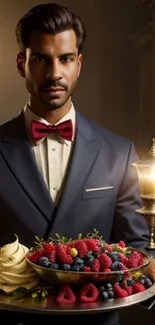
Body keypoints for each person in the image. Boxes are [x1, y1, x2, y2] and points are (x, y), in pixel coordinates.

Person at [0, 3, 154, 325]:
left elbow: (136, 250)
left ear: (79, 64)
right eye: (41, 58)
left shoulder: (118, 152)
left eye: (66, 59)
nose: (54, 73)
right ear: (21, 63)